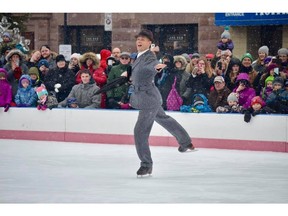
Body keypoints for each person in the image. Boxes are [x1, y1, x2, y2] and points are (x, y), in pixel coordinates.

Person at [127, 29, 195, 177]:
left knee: (140, 132)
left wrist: (160, 66)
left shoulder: (149, 57)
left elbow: (155, 66)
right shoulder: (139, 57)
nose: (139, 41)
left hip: (148, 99)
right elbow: (139, 73)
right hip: (147, 96)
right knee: (164, 119)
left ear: (150, 43)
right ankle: (185, 142)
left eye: (143, 39)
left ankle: (146, 165)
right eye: (138, 39)